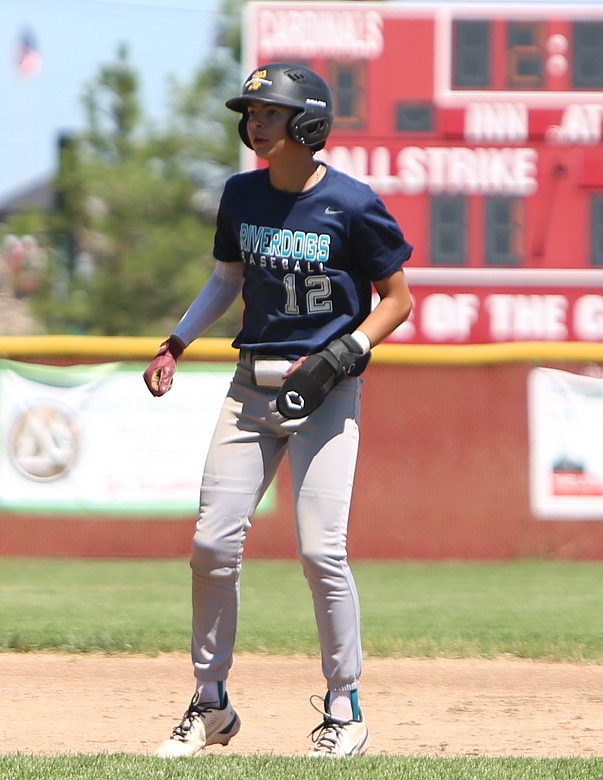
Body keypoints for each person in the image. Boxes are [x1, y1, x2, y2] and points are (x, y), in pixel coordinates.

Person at [143, 62, 413, 759]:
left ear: (308, 124)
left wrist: (340, 355)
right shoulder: (240, 196)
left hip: (326, 393)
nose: (253, 123)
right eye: (251, 113)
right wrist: (176, 341)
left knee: (322, 551)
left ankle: (344, 706)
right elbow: (226, 279)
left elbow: (399, 300)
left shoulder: (352, 204)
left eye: (268, 113)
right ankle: (210, 704)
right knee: (211, 545)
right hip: (250, 387)